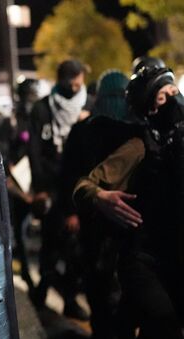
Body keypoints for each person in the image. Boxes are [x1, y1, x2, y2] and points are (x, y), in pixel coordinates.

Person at [74, 66, 184, 338]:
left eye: (175, 92)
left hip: (177, 257)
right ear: (151, 110)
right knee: (163, 321)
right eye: (163, 97)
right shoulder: (141, 146)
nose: (174, 100)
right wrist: (100, 197)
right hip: (145, 260)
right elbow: (84, 186)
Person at [60, 70, 141, 338]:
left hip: (94, 220)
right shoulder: (137, 132)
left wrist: (74, 209)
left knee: (100, 290)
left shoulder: (84, 130)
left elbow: (68, 178)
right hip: (125, 225)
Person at [28, 59, 93, 319]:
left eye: (79, 80)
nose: (77, 86)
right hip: (52, 185)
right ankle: (44, 290)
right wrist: (40, 188)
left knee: (75, 247)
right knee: (52, 242)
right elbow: (34, 150)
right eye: (73, 80)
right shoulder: (42, 108)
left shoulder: (89, 104)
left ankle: (68, 297)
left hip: (79, 183)